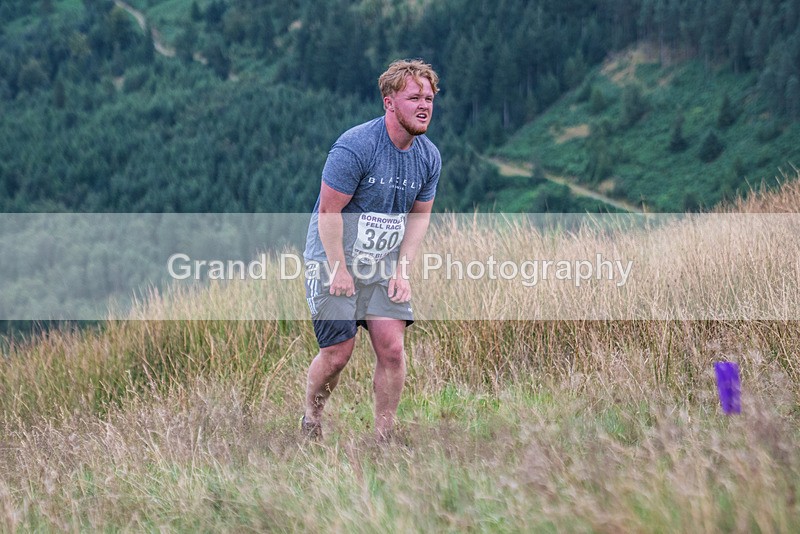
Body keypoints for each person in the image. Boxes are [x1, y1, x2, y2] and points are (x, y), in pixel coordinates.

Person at [301, 59, 441, 442]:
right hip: (331, 260)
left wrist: (402, 271)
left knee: (392, 350)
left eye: (429, 97)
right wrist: (338, 269)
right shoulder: (355, 146)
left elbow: (419, 219)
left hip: (380, 267)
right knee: (338, 354)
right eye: (414, 97)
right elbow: (329, 212)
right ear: (389, 102)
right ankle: (311, 420)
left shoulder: (429, 157)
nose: (424, 105)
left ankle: (384, 438)